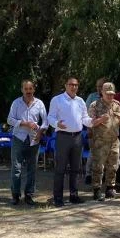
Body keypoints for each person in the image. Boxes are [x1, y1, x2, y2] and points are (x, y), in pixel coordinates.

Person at [48, 77, 107, 207]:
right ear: (66, 85)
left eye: (75, 85)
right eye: (71, 85)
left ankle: (74, 195)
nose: (73, 87)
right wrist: (56, 123)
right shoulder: (57, 100)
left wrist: (94, 122)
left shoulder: (80, 101)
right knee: (60, 168)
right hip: (63, 137)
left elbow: (84, 118)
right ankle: (58, 197)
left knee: (76, 168)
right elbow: (50, 117)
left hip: (77, 137)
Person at [7, 79, 48, 206]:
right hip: (19, 138)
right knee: (16, 168)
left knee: (32, 168)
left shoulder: (39, 103)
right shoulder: (16, 103)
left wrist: (41, 133)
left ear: (34, 90)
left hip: (34, 139)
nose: (28, 91)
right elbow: (9, 120)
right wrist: (24, 123)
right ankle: (15, 195)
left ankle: (29, 195)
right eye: (26, 89)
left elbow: (46, 121)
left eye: (31, 89)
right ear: (22, 90)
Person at [88, 82, 120, 201]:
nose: (110, 96)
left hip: (114, 140)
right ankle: (97, 190)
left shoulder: (116, 105)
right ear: (102, 93)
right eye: (107, 94)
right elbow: (90, 123)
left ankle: (110, 188)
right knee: (98, 166)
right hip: (100, 141)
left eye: (112, 94)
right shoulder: (95, 105)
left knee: (113, 165)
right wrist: (100, 119)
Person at [84, 77, 106, 185]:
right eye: (97, 86)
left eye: (101, 86)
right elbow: (86, 115)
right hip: (93, 130)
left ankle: (103, 175)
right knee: (93, 153)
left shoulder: (110, 98)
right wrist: (89, 129)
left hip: (106, 132)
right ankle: (88, 174)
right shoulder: (91, 97)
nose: (99, 88)